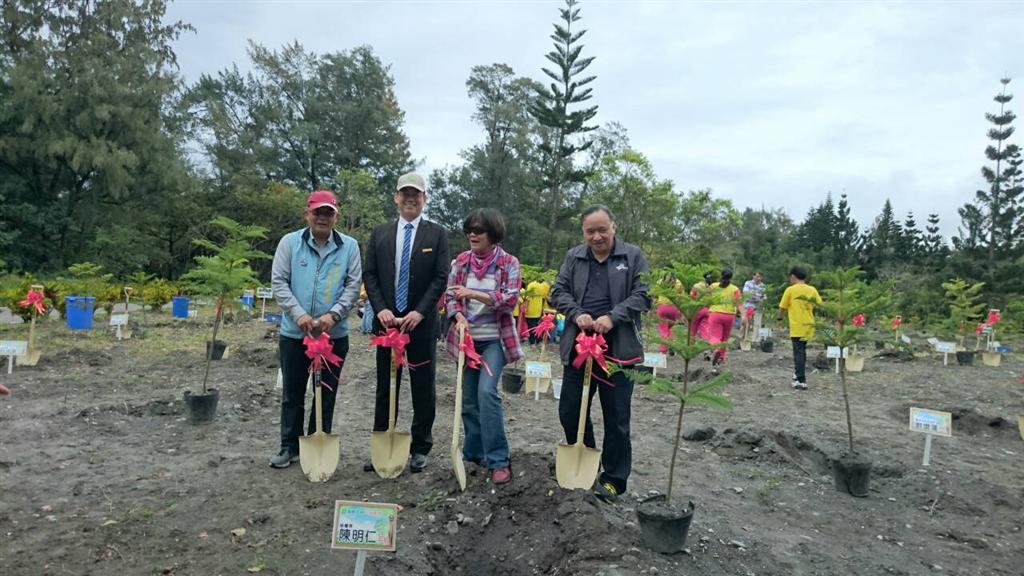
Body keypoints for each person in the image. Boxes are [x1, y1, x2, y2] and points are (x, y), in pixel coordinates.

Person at [550, 205, 651, 503]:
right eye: (590, 231)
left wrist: (613, 317)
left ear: (614, 228)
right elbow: (558, 291)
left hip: (618, 353)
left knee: (617, 417)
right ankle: (587, 462)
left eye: (602, 230)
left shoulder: (632, 257)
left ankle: (614, 479)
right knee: (569, 409)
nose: (596, 237)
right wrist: (576, 313)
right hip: (579, 347)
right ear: (583, 232)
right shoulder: (574, 257)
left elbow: (643, 294)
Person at [363, 172, 450, 473]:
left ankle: (420, 446)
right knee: (385, 386)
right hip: (387, 325)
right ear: (396, 197)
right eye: (405, 193)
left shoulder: (436, 234)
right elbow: (370, 275)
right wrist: (381, 309)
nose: (410, 198)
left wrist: (420, 312)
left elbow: (441, 277)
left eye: (417, 194)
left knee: (423, 387)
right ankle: (383, 440)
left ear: (425, 199)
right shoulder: (380, 233)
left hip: (420, 326)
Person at [269, 189, 361, 468]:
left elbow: (352, 285)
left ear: (336, 216)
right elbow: (279, 282)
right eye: (317, 212)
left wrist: (333, 316)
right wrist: (299, 316)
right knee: (293, 393)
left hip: (333, 335)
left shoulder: (349, 247)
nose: (323, 217)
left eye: (328, 212)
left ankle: (316, 439)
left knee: (326, 392)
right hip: (295, 333)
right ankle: (289, 446)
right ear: (307, 213)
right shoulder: (290, 243)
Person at [444, 208, 523, 485]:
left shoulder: (509, 263)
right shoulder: (461, 262)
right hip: (467, 341)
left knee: (487, 393)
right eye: (469, 230)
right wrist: (457, 314)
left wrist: (476, 294)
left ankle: (499, 459)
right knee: (468, 399)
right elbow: (450, 296)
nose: (473, 234)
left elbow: (510, 299)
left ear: (493, 233)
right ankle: (473, 454)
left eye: (479, 230)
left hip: (494, 341)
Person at [778, 266, 822, 390]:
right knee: (802, 351)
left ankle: (801, 380)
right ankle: (797, 374)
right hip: (809, 325)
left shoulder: (790, 290)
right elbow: (820, 305)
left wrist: (779, 319)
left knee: (798, 353)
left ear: (793, 276)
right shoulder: (812, 289)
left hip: (797, 326)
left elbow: (782, 307)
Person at [707, 268, 742, 368]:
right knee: (724, 338)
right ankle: (721, 358)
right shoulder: (735, 289)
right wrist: (743, 316)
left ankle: (716, 350)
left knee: (714, 336)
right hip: (729, 316)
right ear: (731, 278)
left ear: (720, 276)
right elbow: (738, 304)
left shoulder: (713, 286)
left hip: (715, 314)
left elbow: (705, 296)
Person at [654, 272, 682, 354]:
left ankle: (663, 350)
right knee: (669, 328)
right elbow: (681, 296)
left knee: (663, 330)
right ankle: (671, 345)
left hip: (662, 308)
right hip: (674, 308)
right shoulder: (678, 283)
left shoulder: (659, 282)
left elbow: (655, 295)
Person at [524, 277, 551, 345]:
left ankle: (532, 343)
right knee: (538, 326)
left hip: (531, 310)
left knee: (531, 327)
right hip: (539, 310)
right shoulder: (544, 286)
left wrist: (525, 308)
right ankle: (538, 340)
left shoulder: (531, 285)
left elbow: (528, 299)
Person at [689, 271, 715, 341]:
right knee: (705, 329)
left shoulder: (696, 286)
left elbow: (691, 296)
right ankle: (705, 347)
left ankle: (690, 346)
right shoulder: (710, 288)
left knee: (692, 330)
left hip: (696, 309)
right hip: (706, 310)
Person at [741, 271, 766, 337]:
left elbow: (765, 297)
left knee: (757, 324)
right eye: (757, 276)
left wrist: (761, 299)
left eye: (760, 277)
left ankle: (756, 340)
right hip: (748, 306)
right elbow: (746, 294)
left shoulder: (763, 286)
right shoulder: (748, 283)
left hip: (758, 307)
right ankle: (742, 337)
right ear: (753, 276)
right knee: (745, 322)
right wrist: (757, 298)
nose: (759, 278)